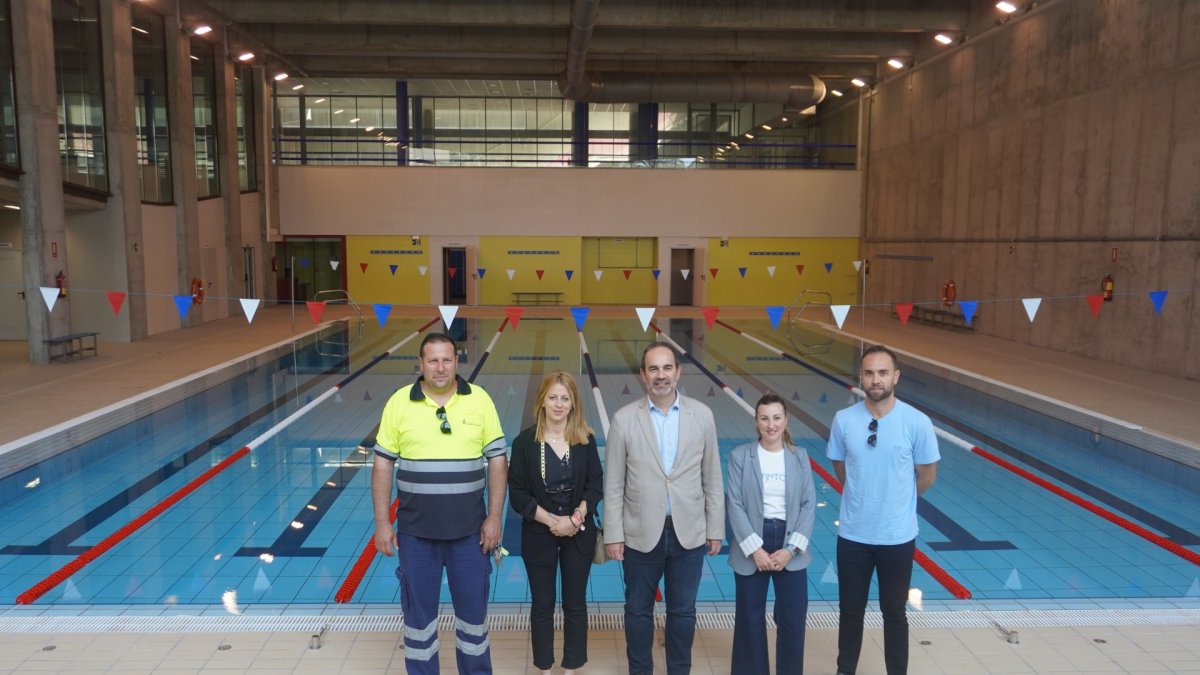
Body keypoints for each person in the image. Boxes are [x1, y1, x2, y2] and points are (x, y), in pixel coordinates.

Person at [371, 333, 508, 675]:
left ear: (457, 362)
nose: (440, 367)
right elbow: (383, 464)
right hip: (417, 534)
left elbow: (497, 459)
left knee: (473, 623)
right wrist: (383, 524)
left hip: (470, 533)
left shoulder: (479, 401)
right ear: (420, 364)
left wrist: (494, 516)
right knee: (418, 625)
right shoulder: (399, 403)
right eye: (432, 360)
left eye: (446, 359)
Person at [604, 342, 725, 675]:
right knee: (638, 610)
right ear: (643, 375)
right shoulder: (625, 419)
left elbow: (712, 476)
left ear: (678, 372)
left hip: (689, 532)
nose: (661, 375)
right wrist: (613, 534)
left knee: (683, 612)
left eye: (667, 368)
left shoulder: (702, 415)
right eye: (653, 369)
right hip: (641, 532)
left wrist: (715, 528)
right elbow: (613, 484)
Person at [827, 344, 939, 675]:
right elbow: (839, 463)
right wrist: (865, 494)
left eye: (882, 372)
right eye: (869, 373)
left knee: (894, 612)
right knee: (850, 611)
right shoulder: (843, 420)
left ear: (896, 377)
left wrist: (897, 500)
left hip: (897, 537)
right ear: (860, 377)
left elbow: (928, 475)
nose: (876, 379)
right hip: (853, 535)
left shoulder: (917, 422)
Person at [508, 371, 604, 675]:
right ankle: (545, 667)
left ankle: (572, 666)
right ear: (542, 401)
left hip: (578, 533)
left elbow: (595, 483)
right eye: (553, 397)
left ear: (574, 402)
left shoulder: (584, 440)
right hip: (540, 532)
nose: (559, 404)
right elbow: (518, 494)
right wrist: (552, 521)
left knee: (575, 604)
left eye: (565, 398)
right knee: (542, 606)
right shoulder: (524, 443)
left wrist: (575, 519)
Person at [726, 393, 816, 675]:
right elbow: (735, 504)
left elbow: (808, 504)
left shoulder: (799, 457)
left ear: (786, 420)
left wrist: (791, 549)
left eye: (777, 418)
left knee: (792, 618)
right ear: (756, 421)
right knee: (750, 619)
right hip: (754, 540)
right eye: (764, 418)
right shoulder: (740, 455)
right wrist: (755, 549)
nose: (771, 424)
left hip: (789, 543)